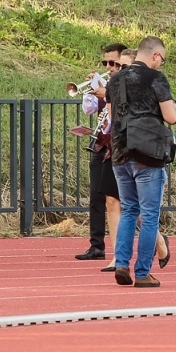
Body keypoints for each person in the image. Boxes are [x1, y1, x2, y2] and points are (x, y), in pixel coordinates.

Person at [106, 36, 176, 288]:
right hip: (147, 154)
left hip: (119, 153)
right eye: (162, 59)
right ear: (156, 55)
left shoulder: (114, 80)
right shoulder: (155, 78)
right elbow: (170, 117)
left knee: (129, 210)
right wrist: (175, 110)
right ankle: (142, 271)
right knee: (149, 215)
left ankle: (121, 264)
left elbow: (113, 117)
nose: (161, 63)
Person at [76, 42, 127, 262]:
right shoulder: (104, 83)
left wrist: (108, 92)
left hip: (121, 145)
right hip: (101, 144)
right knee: (98, 195)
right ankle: (97, 245)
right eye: (105, 62)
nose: (109, 67)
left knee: (124, 199)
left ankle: (154, 237)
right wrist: (94, 91)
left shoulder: (127, 84)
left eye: (113, 62)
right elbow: (88, 109)